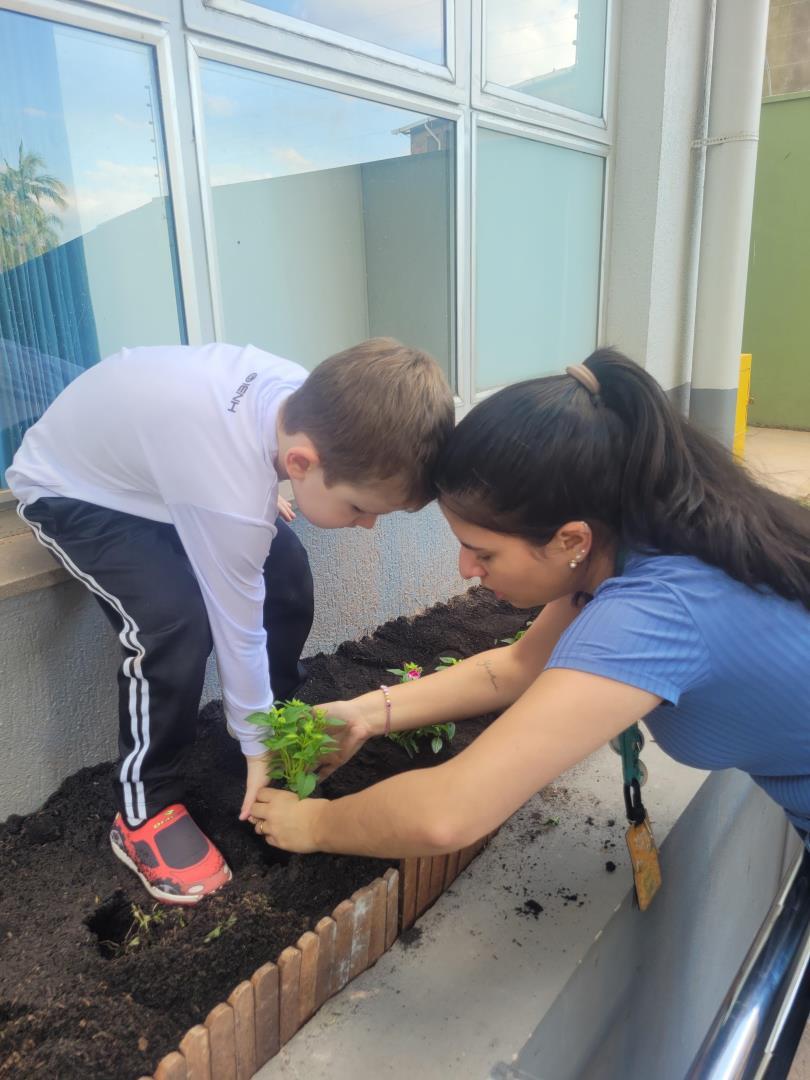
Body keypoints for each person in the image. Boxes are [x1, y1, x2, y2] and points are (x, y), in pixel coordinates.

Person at [247, 348, 810, 863]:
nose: (466, 570)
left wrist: (315, 823)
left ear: (570, 540)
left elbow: (447, 814)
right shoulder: (643, 538)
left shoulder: (657, 611)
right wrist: (366, 715)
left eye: (483, 552)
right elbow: (517, 667)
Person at [7, 337, 454, 903]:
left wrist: (256, 493)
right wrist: (252, 740)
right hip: (78, 491)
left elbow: (227, 468)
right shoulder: (226, 487)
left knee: (286, 572)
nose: (367, 525)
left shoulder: (307, 402)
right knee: (172, 624)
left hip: (168, 473)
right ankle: (145, 806)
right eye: (361, 508)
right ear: (301, 463)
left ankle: (277, 717)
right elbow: (237, 626)